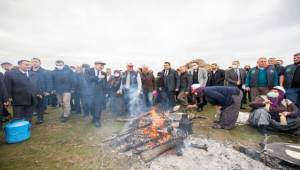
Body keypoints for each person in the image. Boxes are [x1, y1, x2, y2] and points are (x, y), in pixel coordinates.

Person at [85, 61, 107, 127]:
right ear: (95, 65)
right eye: (100, 65)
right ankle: (94, 117)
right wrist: (98, 77)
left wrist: (105, 92)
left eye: (103, 66)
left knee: (98, 107)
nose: (102, 67)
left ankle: (97, 120)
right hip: (90, 92)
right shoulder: (88, 71)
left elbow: (105, 83)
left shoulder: (104, 73)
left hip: (100, 93)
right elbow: (87, 79)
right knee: (91, 106)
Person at [31, 58, 52, 124]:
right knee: (32, 105)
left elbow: (49, 81)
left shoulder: (45, 72)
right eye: (33, 62)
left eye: (36, 62)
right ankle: (28, 119)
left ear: (40, 63)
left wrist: (48, 91)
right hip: (31, 92)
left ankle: (40, 118)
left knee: (41, 105)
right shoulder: (28, 71)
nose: (34, 63)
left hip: (42, 91)